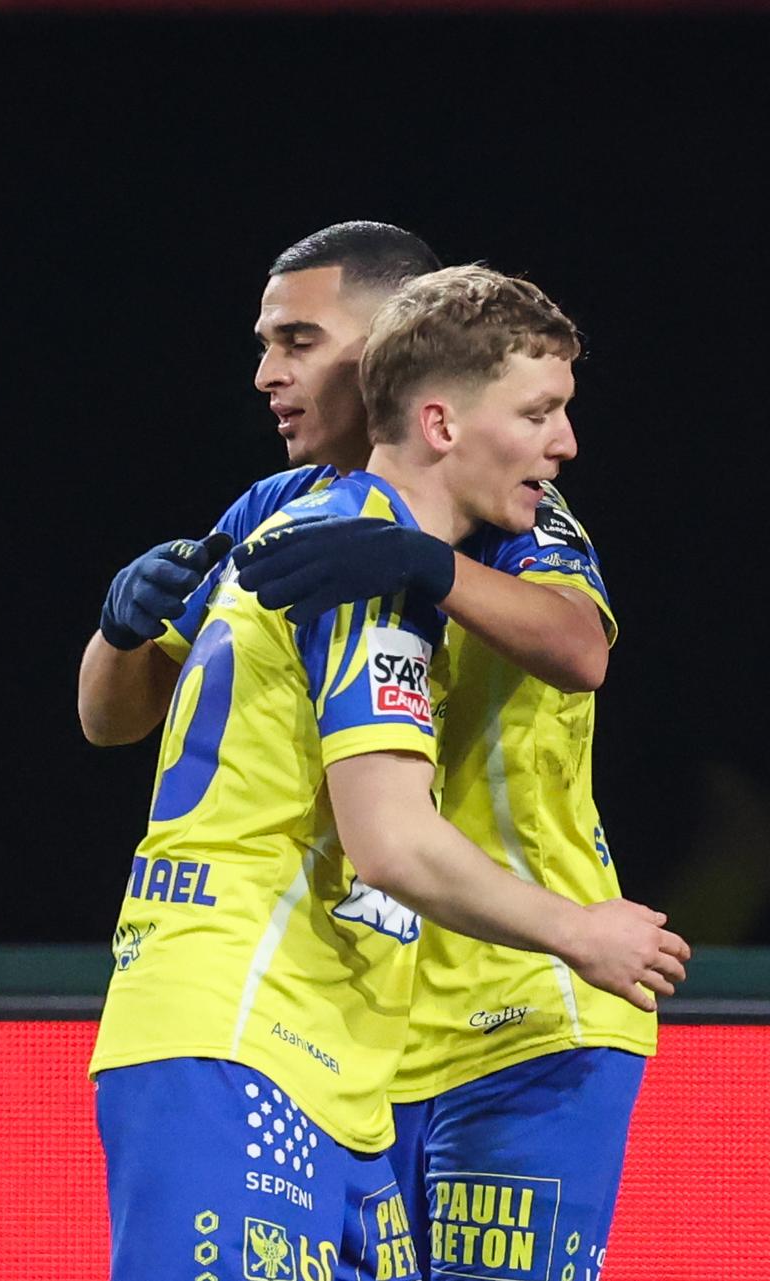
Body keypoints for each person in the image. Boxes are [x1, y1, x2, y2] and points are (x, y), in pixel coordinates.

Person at [82, 225, 668, 1277]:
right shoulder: (308, 521)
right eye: (541, 413)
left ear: (383, 354)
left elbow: (581, 648)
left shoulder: (503, 518)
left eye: (298, 341)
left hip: (503, 1002)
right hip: (313, 1003)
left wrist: (424, 566)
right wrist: (120, 630)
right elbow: (117, 721)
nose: (268, 374)